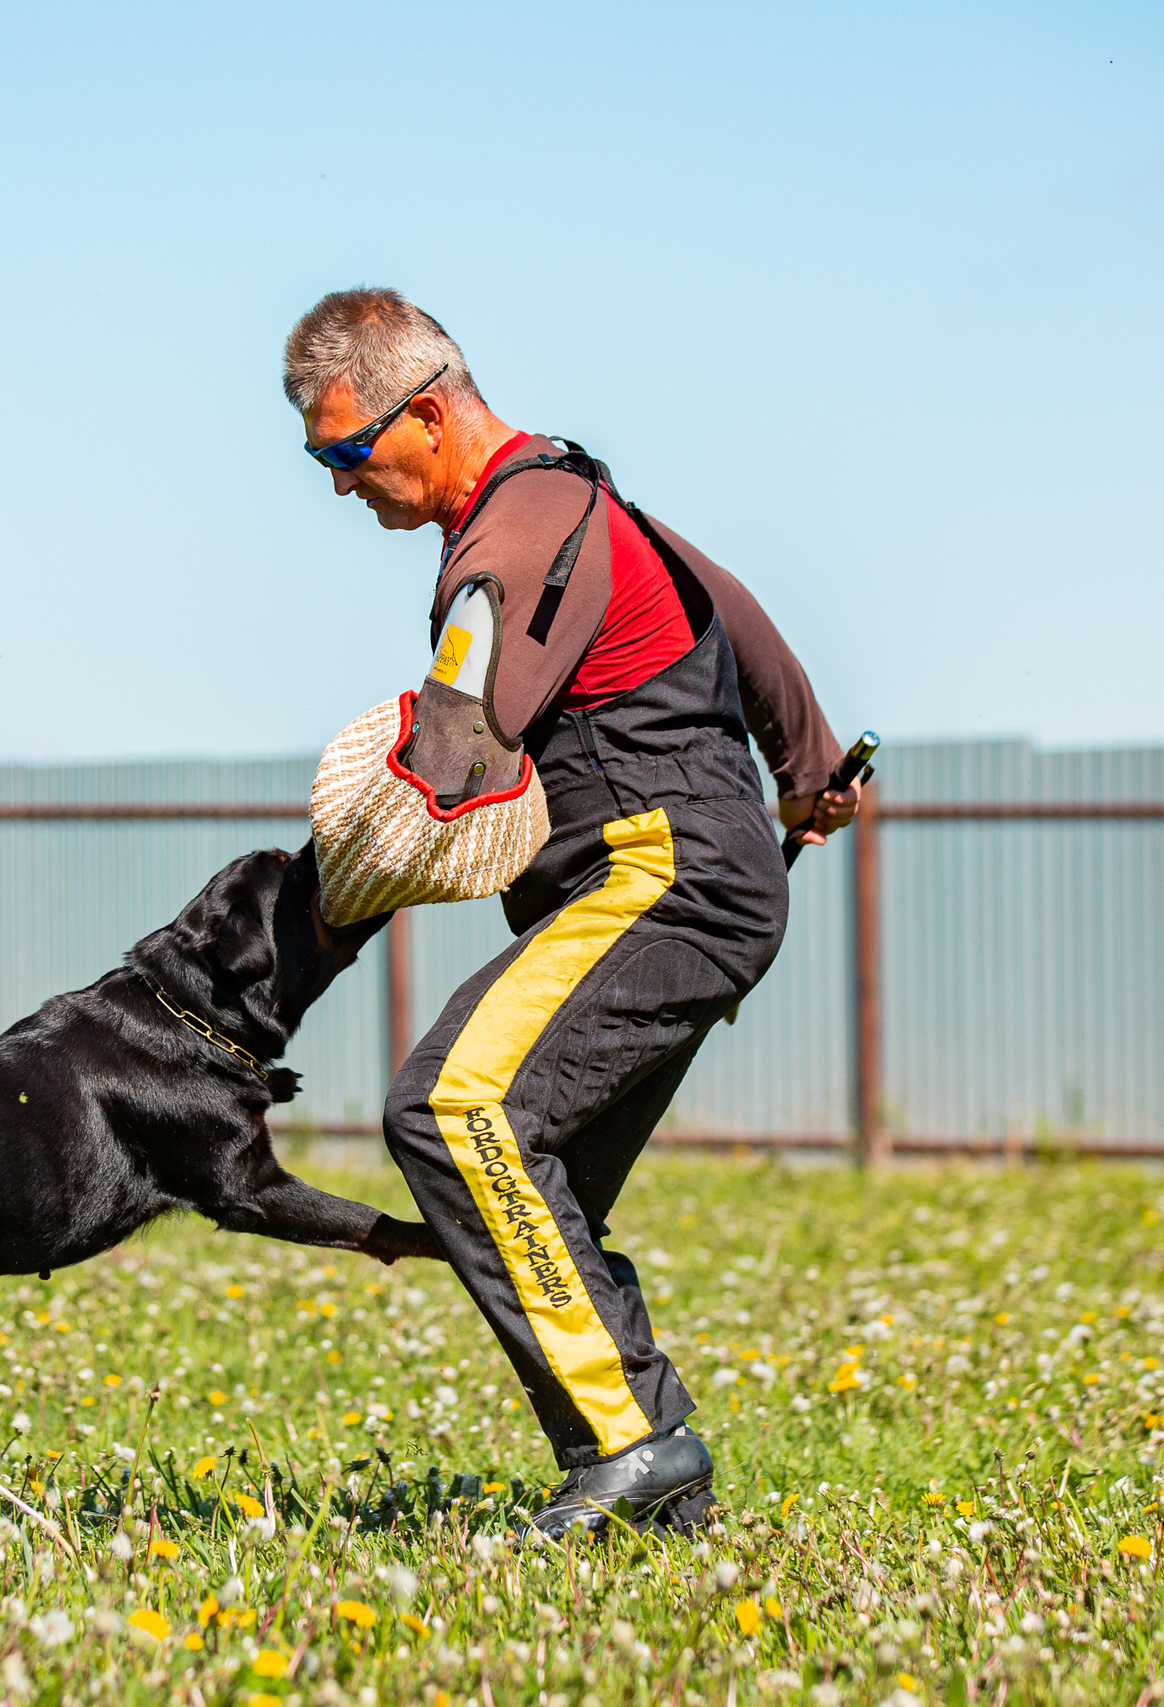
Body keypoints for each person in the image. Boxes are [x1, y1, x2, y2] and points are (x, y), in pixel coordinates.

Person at [285, 288, 860, 1538]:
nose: (340, 486)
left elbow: (456, 745)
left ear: (425, 414)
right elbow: (735, 612)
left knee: (453, 1108)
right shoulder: (578, 492)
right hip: (694, 874)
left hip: (661, 874)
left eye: (346, 452)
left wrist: (324, 893)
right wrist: (808, 770)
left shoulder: (504, 549)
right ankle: (658, 1488)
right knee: (537, 1191)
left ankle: (632, 1446)